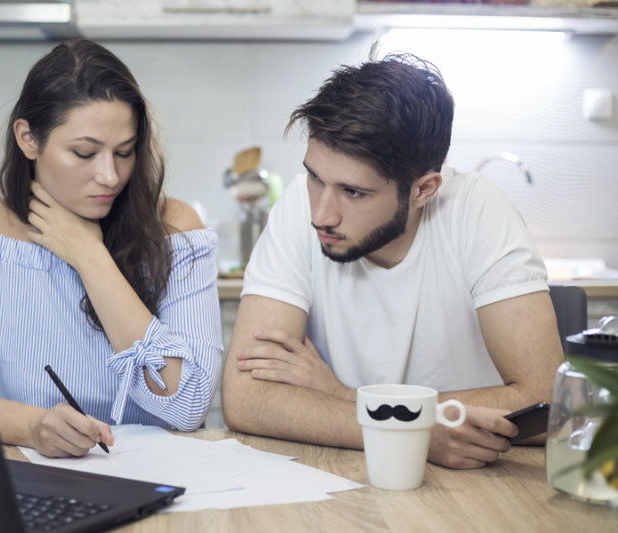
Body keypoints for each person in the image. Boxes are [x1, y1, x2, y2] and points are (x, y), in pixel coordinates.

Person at [221, 51, 564, 469]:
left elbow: (549, 399)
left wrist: (345, 398)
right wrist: (415, 427)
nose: (320, 215)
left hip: (476, 482)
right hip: (342, 476)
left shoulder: (477, 209)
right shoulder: (296, 203)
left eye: (354, 192)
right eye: (315, 177)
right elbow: (246, 400)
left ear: (423, 190)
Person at [0, 39, 223, 458]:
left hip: (168, 477)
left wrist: (89, 255)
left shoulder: (177, 231)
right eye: (84, 153)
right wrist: (31, 426)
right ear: (28, 139)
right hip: (37, 470)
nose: (110, 176)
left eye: (124, 152)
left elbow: (188, 405)